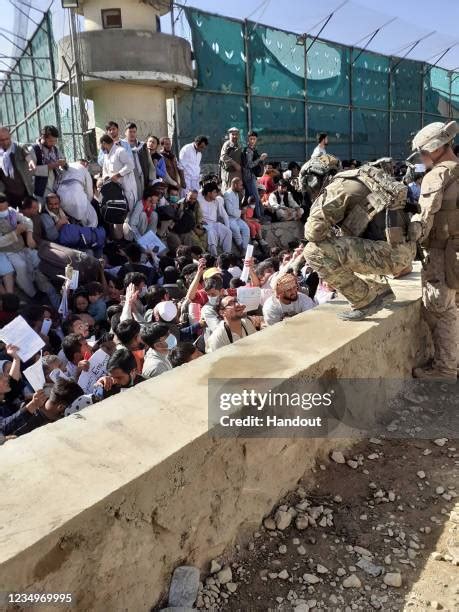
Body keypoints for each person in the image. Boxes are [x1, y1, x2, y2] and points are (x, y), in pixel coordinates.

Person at [303, 160, 416, 320]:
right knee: (344, 239)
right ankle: (378, 289)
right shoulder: (363, 177)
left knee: (313, 252)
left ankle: (363, 300)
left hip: (389, 255)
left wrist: (316, 208)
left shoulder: (337, 187)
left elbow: (313, 233)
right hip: (404, 252)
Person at [409, 120, 459, 381]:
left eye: (423, 153)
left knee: (442, 308)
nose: (422, 158)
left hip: (443, 252)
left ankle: (446, 369)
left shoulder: (436, 177)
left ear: (436, 148)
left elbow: (424, 221)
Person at [29, 125, 66, 201]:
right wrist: (50, 166)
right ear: (42, 138)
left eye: (55, 141)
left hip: (56, 187)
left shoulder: (55, 149)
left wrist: (63, 163)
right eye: (50, 141)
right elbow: (30, 171)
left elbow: (63, 161)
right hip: (41, 191)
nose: (53, 143)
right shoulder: (33, 150)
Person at [57, 159, 98, 227]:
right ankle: (91, 234)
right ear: (85, 163)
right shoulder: (83, 168)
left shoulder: (66, 166)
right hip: (76, 195)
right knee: (93, 219)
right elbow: (89, 189)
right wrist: (88, 201)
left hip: (60, 196)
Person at [100, 134, 137, 210]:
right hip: (115, 190)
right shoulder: (106, 155)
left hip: (127, 189)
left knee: (128, 214)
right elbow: (105, 170)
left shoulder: (120, 151)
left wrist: (118, 175)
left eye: (100, 145)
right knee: (117, 214)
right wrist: (105, 177)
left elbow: (131, 165)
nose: (101, 148)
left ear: (104, 143)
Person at [0, 127, 34, 207]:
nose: (5, 142)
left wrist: (30, 161)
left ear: (10, 137)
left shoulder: (18, 147)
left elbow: (26, 152)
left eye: (7, 139)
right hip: (8, 194)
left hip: (25, 192)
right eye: (1, 140)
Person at [198, 182, 232, 256]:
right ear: (209, 193)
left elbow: (224, 215)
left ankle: (227, 255)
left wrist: (227, 227)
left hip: (214, 224)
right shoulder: (199, 200)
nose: (216, 194)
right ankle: (214, 257)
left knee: (228, 232)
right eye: (214, 192)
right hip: (204, 225)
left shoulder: (217, 201)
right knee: (211, 234)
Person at [241, 131, 267, 220]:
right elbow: (249, 165)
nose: (252, 141)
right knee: (256, 197)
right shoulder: (248, 150)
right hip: (248, 176)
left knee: (248, 197)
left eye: (254, 139)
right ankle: (259, 217)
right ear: (248, 139)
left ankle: (248, 216)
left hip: (251, 176)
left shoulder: (253, 149)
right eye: (251, 139)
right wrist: (260, 159)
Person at [223, 177, 250, 253]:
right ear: (235, 185)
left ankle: (244, 248)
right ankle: (242, 248)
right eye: (240, 185)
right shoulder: (227, 194)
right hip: (229, 218)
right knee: (236, 229)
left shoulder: (236, 193)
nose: (241, 187)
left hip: (237, 218)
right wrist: (241, 212)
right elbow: (229, 211)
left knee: (246, 229)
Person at [219, 127, 242, 192]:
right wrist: (235, 164)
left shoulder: (239, 145)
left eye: (236, 134)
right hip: (228, 173)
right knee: (228, 191)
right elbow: (223, 157)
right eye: (233, 134)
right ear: (229, 135)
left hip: (237, 173)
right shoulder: (227, 144)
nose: (235, 136)